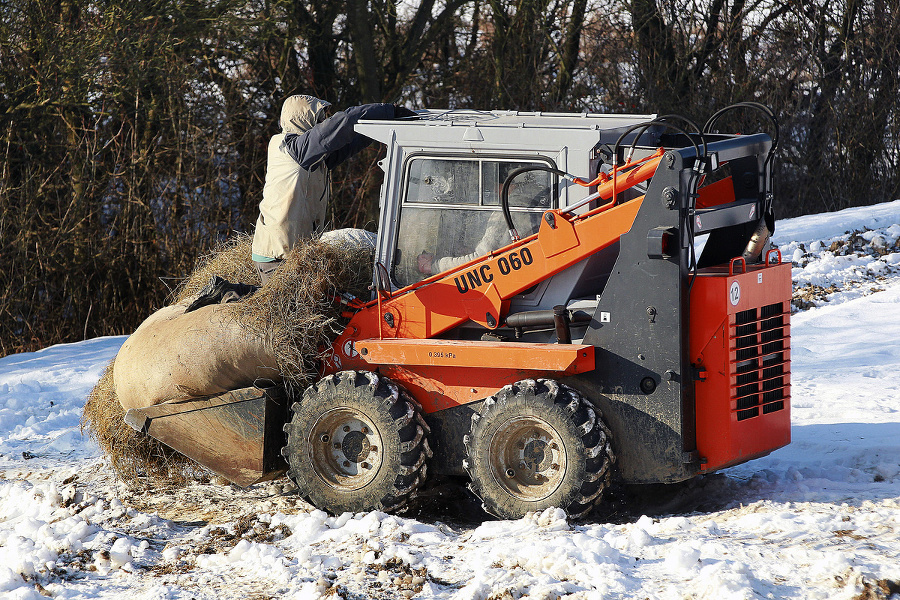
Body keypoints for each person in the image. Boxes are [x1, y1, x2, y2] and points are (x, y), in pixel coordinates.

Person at [251, 95, 416, 284]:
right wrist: (388, 111)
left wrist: (378, 128)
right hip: (277, 256)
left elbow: (348, 142)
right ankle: (228, 293)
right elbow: (344, 122)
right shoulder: (295, 148)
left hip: (290, 252)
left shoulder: (310, 155)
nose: (323, 123)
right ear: (304, 120)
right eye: (319, 118)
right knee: (292, 309)